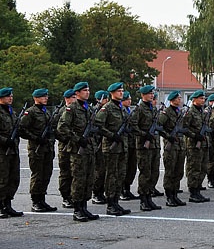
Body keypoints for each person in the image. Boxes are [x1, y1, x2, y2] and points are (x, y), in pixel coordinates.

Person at [57, 82, 100, 222]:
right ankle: (77, 209)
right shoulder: (72, 109)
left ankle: (84, 207)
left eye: (88, 90)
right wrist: (77, 139)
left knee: (89, 179)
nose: (87, 92)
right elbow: (62, 127)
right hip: (78, 151)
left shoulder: (88, 109)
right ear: (77, 93)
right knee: (79, 179)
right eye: (84, 90)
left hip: (89, 149)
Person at [94, 82, 132, 215]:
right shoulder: (107, 108)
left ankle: (116, 202)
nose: (121, 93)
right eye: (119, 91)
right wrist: (112, 135)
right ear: (112, 93)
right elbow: (98, 125)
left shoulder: (121, 108)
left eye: (122, 91)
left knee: (120, 175)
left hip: (122, 147)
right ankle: (110, 204)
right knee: (111, 175)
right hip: (111, 147)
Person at [18, 88, 58, 212]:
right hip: (36, 149)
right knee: (37, 175)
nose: (46, 98)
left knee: (46, 174)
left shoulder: (45, 112)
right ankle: (35, 201)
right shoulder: (31, 112)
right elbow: (21, 129)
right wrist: (35, 138)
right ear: (36, 98)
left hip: (47, 148)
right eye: (43, 96)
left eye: (46, 96)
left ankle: (42, 199)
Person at [158, 90, 188, 206]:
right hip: (170, 146)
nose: (180, 100)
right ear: (173, 100)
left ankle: (175, 194)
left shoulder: (179, 112)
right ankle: (169, 196)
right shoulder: (166, 113)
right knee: (170, 171)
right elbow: (159, 127)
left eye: (180, 98)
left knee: (178, 171)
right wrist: (168, 136)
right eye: (178, 98)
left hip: (180, 146)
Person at [182, 90, 210, 203]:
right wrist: (195, 136)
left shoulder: (202, 112)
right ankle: (193, 192)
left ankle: (198, 189)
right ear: (194, 100)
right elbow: (184, 128)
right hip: (194, 145)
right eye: (201, 98)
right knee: (194, 168)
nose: (203, 100)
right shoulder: (190, 112)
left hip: (203, 144)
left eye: (204, 99)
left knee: (203, 168)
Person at [0, 87, 23, 218]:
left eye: (11, 96)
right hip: (2, 151)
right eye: (8, 96)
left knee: (13, 178)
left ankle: (7, 205)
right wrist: (4, 140)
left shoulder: (11, 112)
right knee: (2, 179)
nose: (11, 98)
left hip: (13, 150)